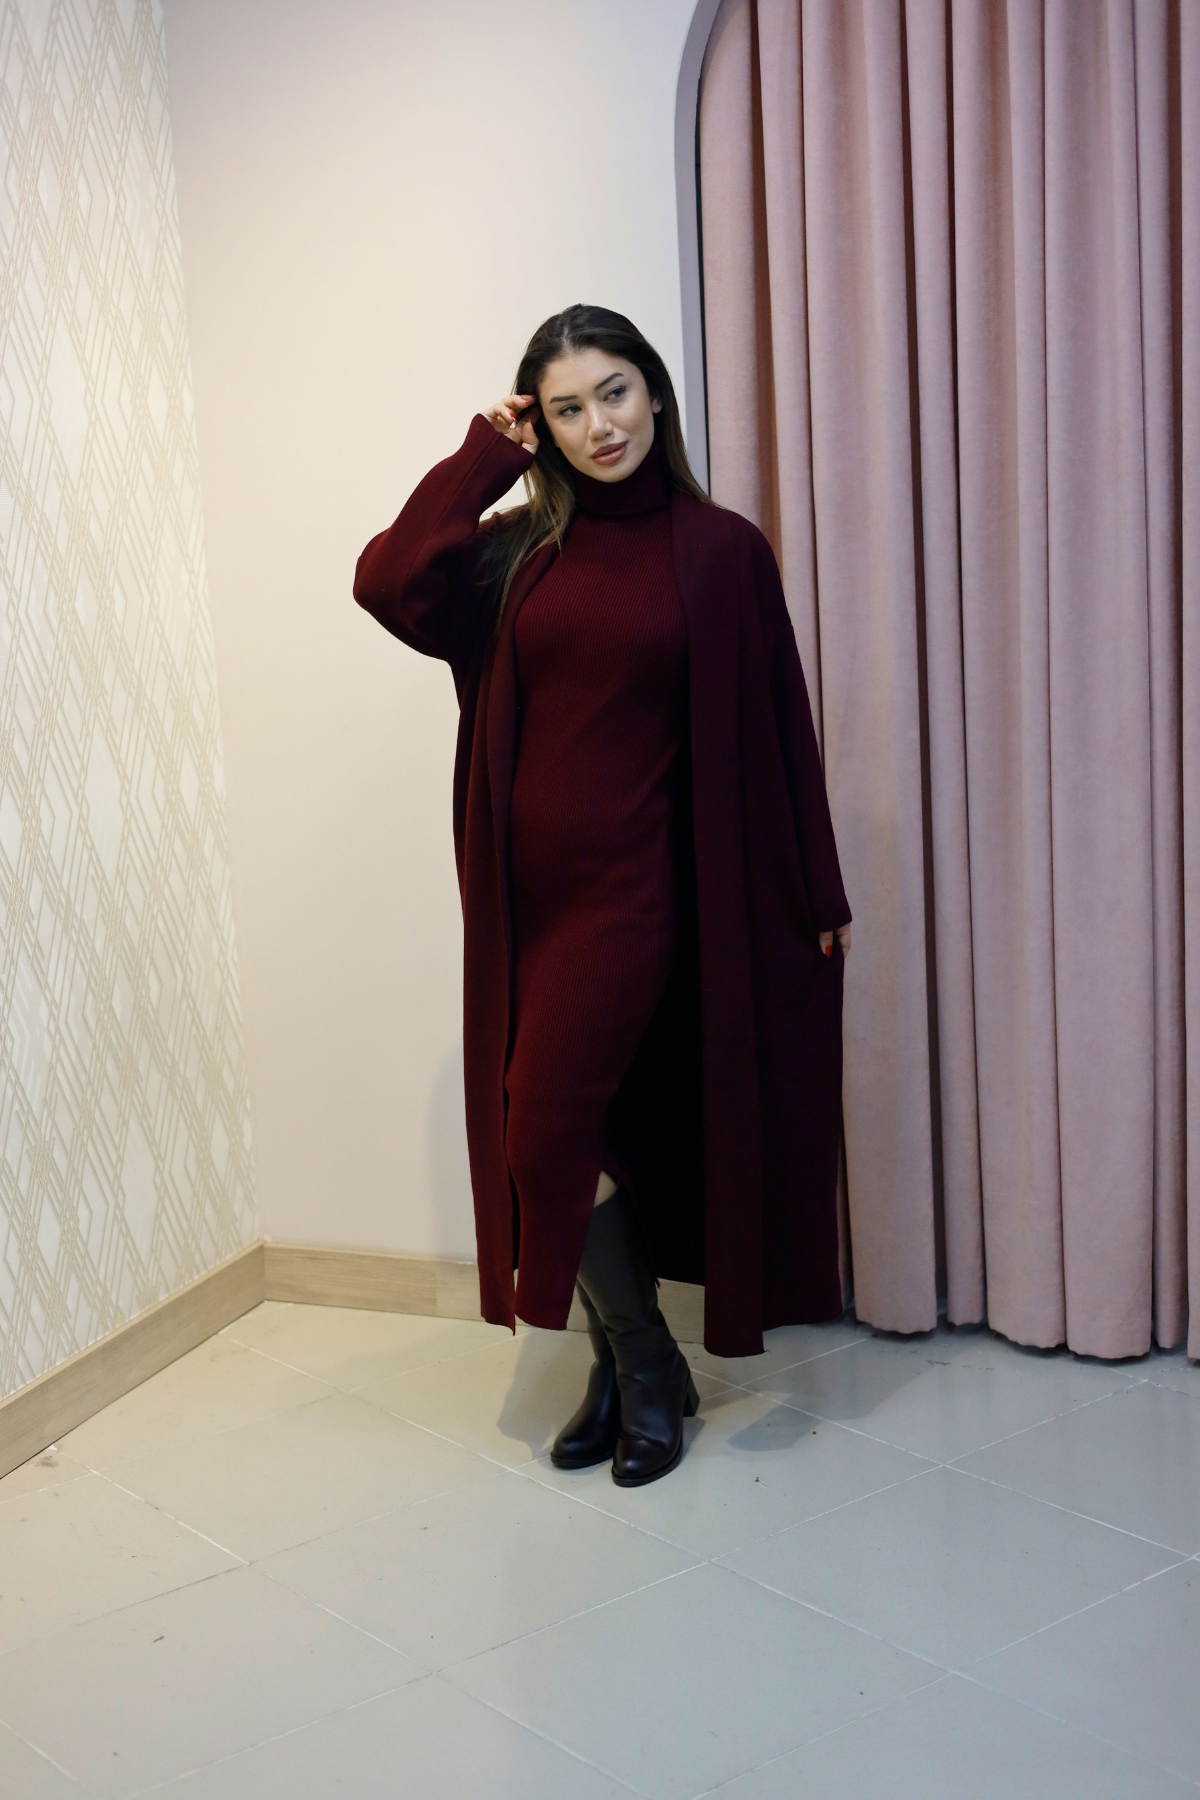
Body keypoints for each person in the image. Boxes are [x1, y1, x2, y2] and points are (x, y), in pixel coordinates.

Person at [354, 305, 850, 1487]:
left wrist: (816, 890)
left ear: (656, 393)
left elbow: (782, 729)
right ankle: (633, 1372)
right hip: (523, 903)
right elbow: (386, 581)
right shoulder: (516, 549)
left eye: (614, 393)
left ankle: (645, 1363)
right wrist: (484, 457)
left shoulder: (719, 550)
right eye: (567, 408)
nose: (598, 426)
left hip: (641, 894)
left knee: (545, 1126)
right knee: (589, 1129)